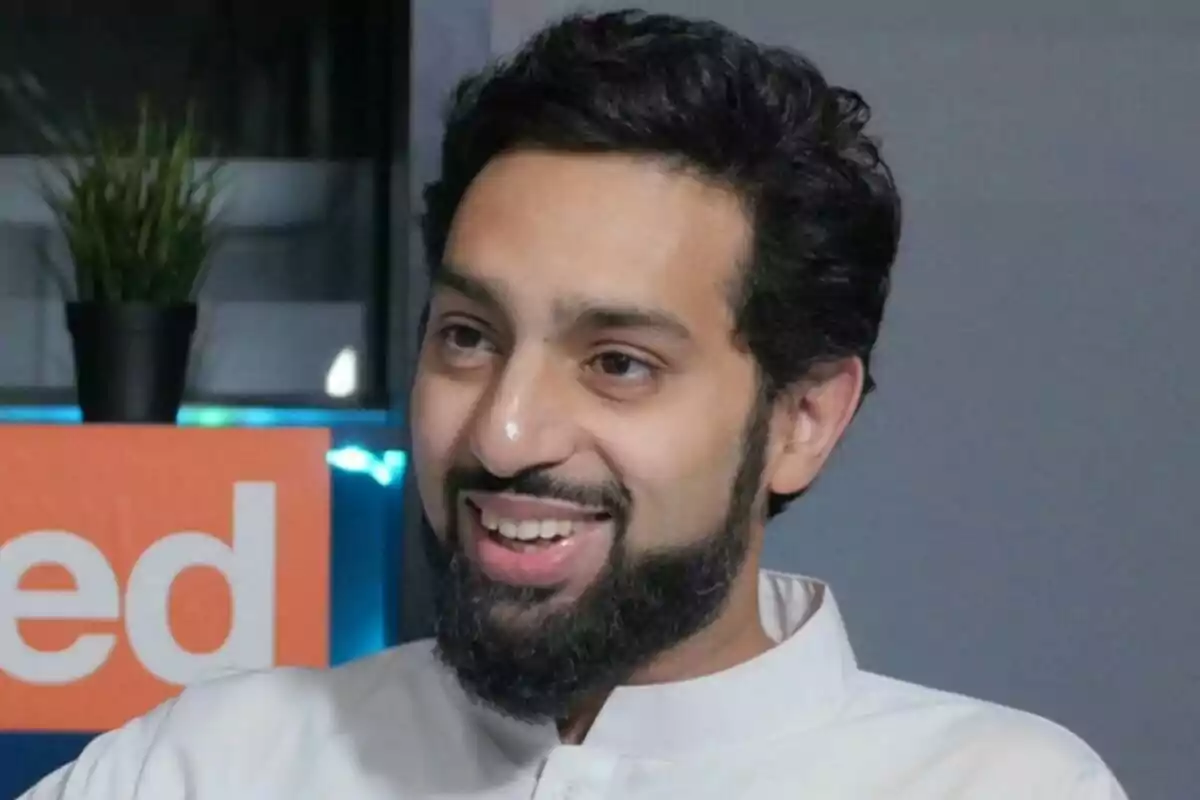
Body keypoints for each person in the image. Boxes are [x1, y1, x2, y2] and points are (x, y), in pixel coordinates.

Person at [21, 9, 1127, 799]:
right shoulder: (200, 766)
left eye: (619, 362)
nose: (504, 433)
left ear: (802, 417)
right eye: (469, 336)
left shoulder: (1006, 784)